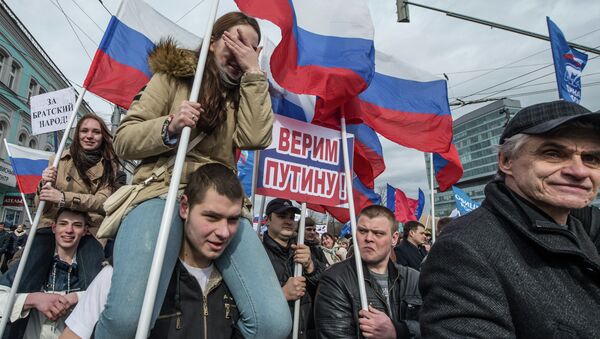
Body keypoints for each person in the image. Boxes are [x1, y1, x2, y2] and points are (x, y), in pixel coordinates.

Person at [96, 12, 289, 339]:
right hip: (163, 192)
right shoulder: (173, 77)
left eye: (253, 49)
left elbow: (256, 138)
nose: (243, 53)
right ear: (213, 42)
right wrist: (168, 127)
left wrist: (254, 73)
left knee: (273, 323)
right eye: (237, 42)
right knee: (127, 319)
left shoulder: (247, 92)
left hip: (220, 204)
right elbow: (125, 140)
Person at [420, 100, 600, 338]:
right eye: (553, 153)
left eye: (592, 159)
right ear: (506, 161)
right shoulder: (464, 248)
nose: (579, 171)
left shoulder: (584, 229)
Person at [61, 164, 250, 339]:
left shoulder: (243, 289)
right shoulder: (127, 273)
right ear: (185, 208)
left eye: (233, 220)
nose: (224, 232)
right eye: (211, 217)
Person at [314, 205, 421, 338]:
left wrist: (398, 330)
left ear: (394, 239)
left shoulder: (413, 278)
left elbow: (434, 327)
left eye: (378, 233)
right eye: (363, 231)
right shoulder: (335, 279)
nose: (368, 238)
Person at [0, 209, 104, 339]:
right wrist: (32, 299)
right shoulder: (29, 263)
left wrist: (77, 297)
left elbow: (109, 301)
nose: (69, 230)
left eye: (77, 225)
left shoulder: (97, 268)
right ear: (54, 227)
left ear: (85, 231)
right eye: (63, 223)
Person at [36, 113, 120, 235]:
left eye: (96, 132)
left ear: (103, 136)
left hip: (88, 228)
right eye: (84, 131)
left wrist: (64, 198)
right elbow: (41, 206)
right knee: (30, 254)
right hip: (52, 224)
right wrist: (43, 185)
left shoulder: (109, 165)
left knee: (92, 254)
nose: (89, 136)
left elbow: (102, 202)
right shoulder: (58, 159)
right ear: (77, 135)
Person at [263, 198, 324, 338]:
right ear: (268, 220)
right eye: (281, 216)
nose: (288, 221)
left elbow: (325, 290)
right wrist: (281, 295)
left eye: (292, 217)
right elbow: (249, 304)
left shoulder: (305, 250)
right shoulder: (257, 253)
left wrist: (311, 267)